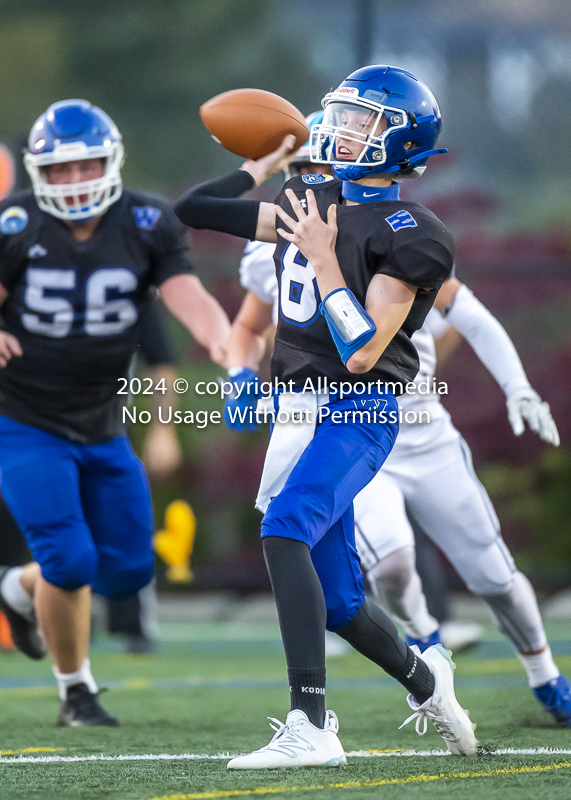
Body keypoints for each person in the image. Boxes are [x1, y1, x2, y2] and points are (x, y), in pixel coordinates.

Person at [175, 65, 478, 768]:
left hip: (359, 410)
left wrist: (323, 261)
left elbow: (365, 351)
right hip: (299, 410)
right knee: (340, 601)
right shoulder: (307, 197)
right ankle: (427, 678)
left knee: (284, 529)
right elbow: (193, 207)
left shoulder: (413, 231)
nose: (339, 131)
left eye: (360, 121)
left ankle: (310, 725)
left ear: (400, 140)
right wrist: (263, 165)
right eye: (338, 117)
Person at [226, 149, 570, 726]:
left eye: (321, 166)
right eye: (301, 167)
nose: (312, 178)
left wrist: (517, 386)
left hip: (411, 421)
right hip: (338, 425)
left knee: (494, 577)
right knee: (387, 568)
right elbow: (247, 327)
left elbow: (465, 320)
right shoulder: (289, 234)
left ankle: (544, 676)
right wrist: (239, 374)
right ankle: (430, 655)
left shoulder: (392, 235)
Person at [0, 99, 230, 726]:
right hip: (23, 419)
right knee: (69, 560)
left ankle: (18, 588)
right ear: (39, 173)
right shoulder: (15, 223)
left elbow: (186, 295)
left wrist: (224, 338)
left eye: (87, 166)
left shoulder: (147, 221)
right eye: (61, 170)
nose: (75, 181)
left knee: (127, 569)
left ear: (111, 162)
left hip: (103, 423)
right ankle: (76, 690)